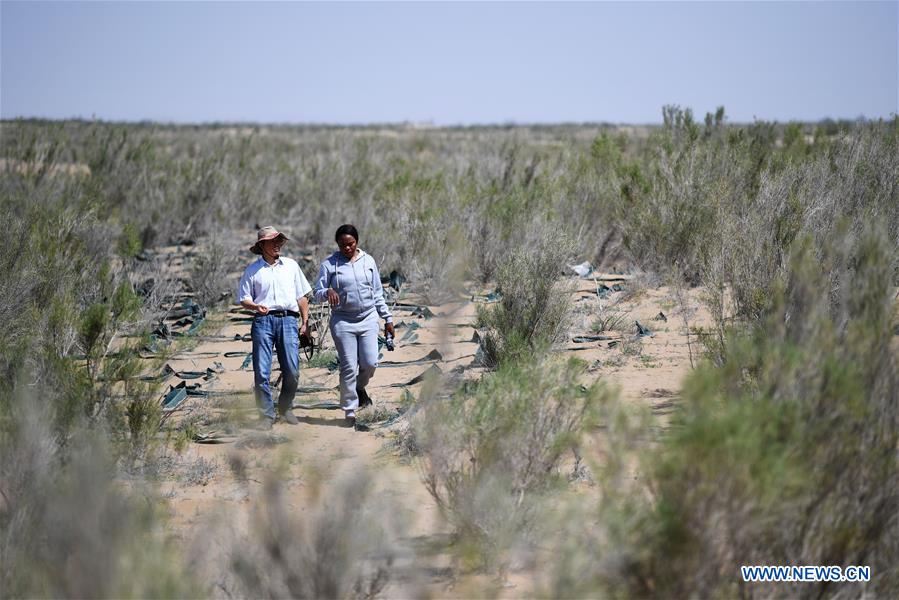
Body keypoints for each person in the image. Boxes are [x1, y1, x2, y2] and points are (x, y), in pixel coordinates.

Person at [314, 224, 394, 428]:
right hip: (343, 321)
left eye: (350, 244)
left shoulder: (368, 261)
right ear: (337, 245)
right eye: (342, 245)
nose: (347, 248)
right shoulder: (329, 264)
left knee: (370, 362)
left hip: (368, 318)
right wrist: (327, 292)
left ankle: (359, 386)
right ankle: (349, 410)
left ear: (357, 241)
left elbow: (377, 293)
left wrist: (388, 318)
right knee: (348, 366)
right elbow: (317, 293)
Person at [237, 226, 311, 429]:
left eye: (279, 240)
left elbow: (302, 296)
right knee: (261, 371)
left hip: (288, 320)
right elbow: (244, 298)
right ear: (262, 245)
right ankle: (266, 416)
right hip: (263, 321)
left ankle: (285, 407)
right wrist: (255, 306)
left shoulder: (291, 266)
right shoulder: (252, 270)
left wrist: (305, 323)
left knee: (292, 371)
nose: (278, 244)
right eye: (273, 241)